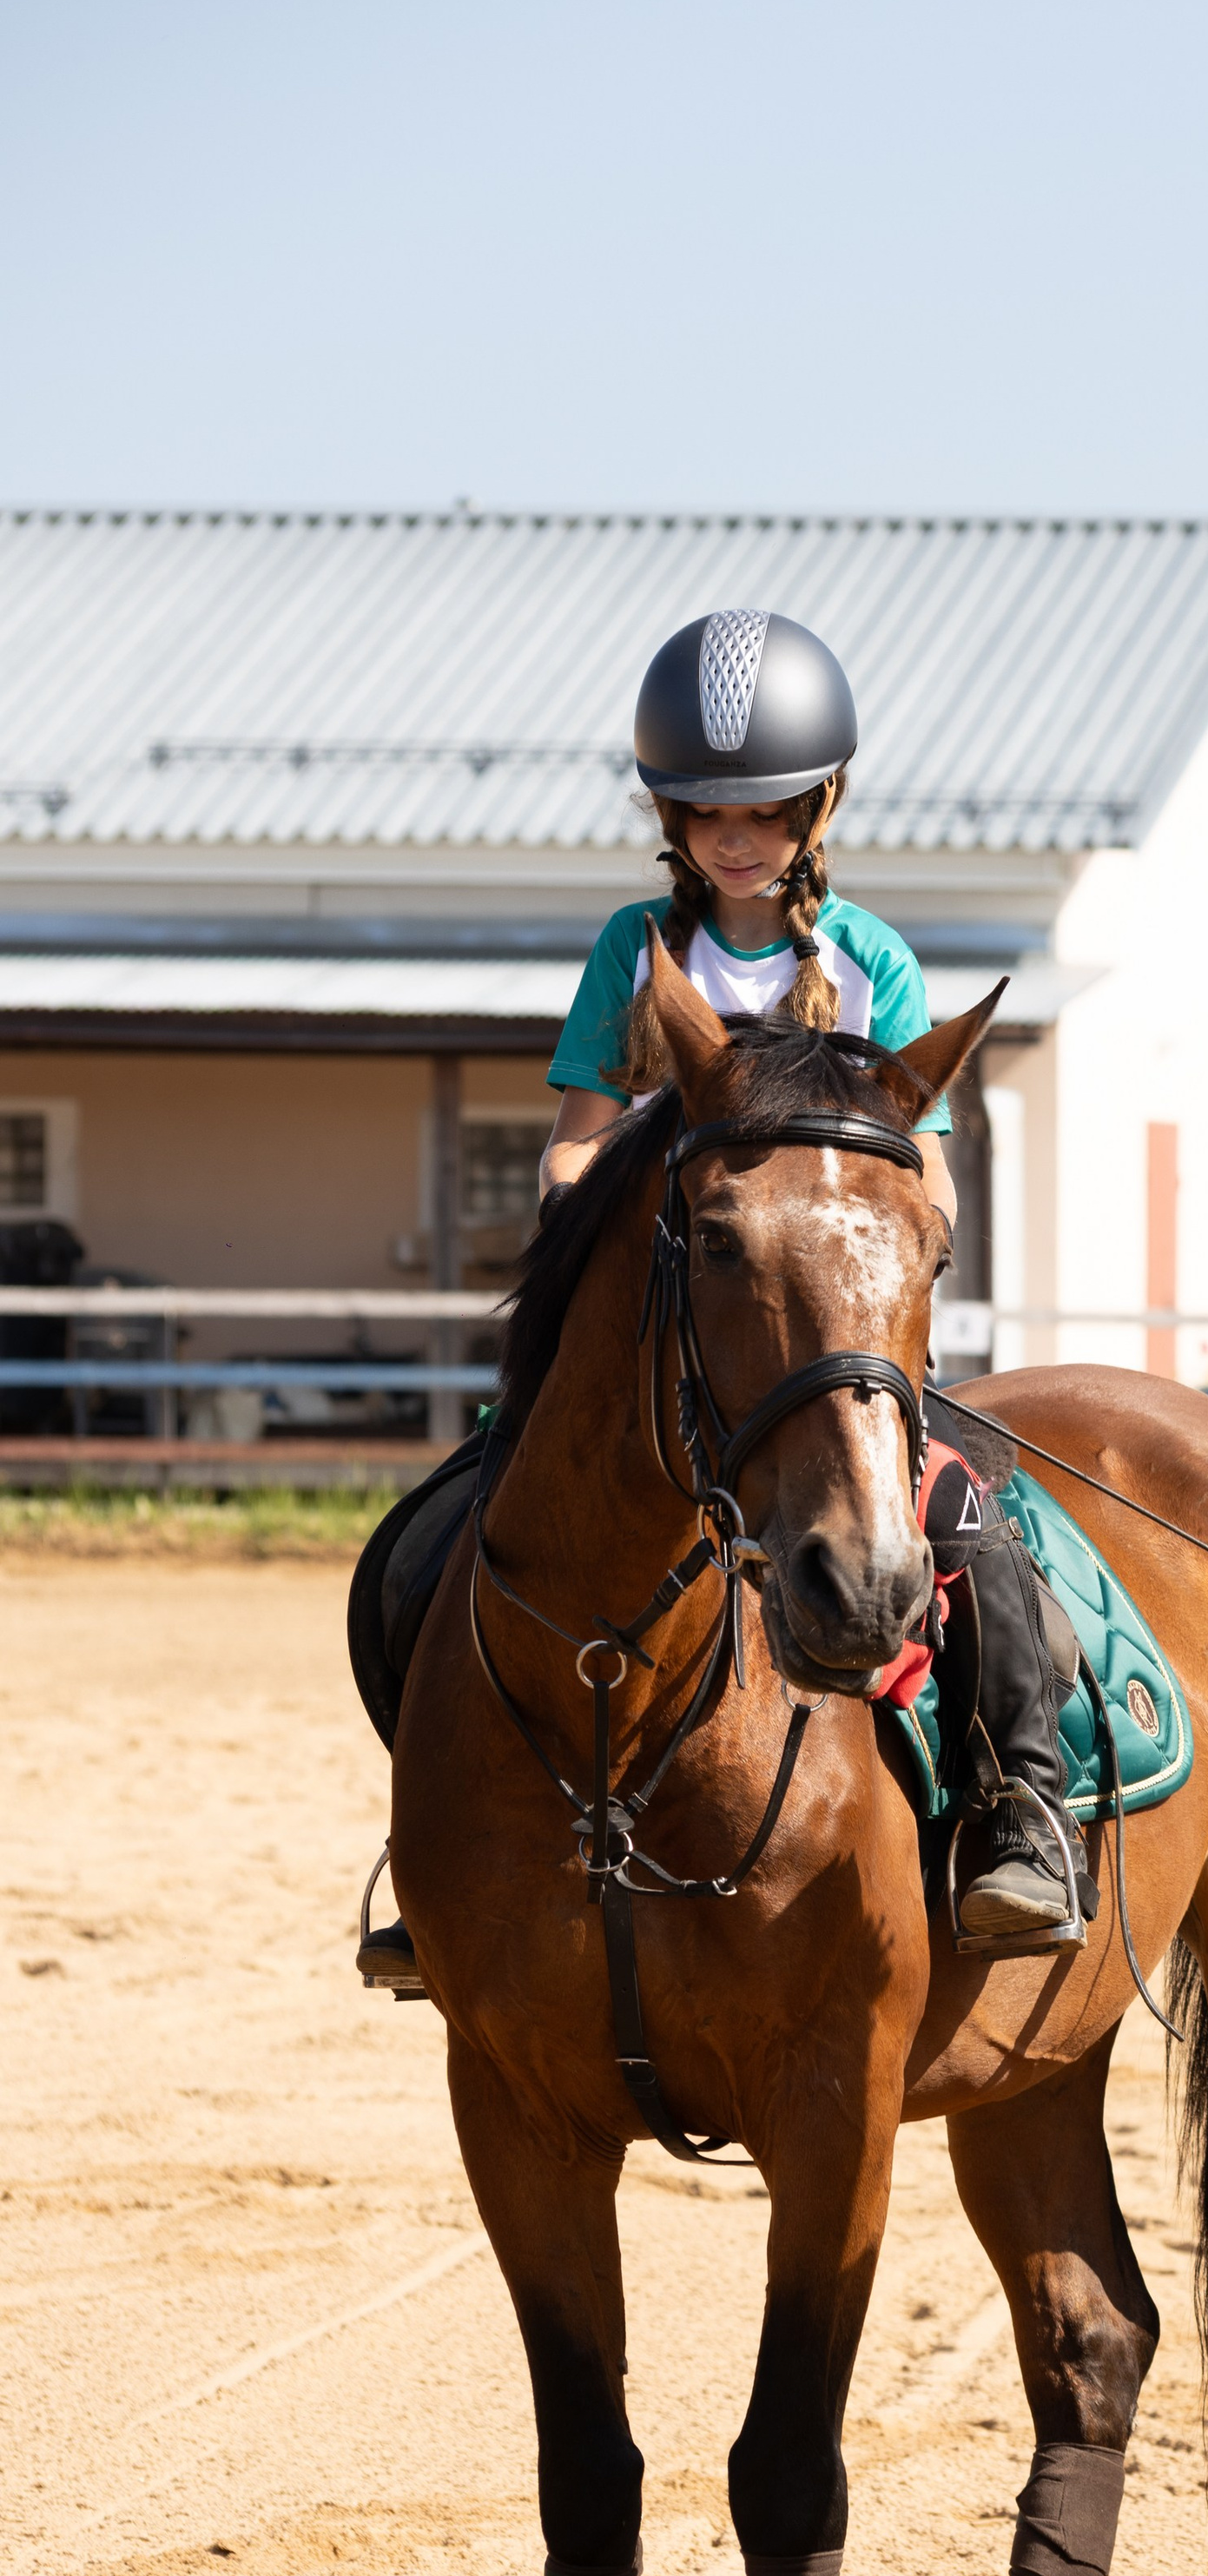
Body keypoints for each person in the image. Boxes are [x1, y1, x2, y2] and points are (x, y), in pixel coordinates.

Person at [362, 611, 1086, 1972]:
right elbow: (579, 1133)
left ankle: (1015, 1814)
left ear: (819, 808)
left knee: (980, 1538)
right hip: (664, 1323)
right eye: (702, 811)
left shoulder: (870, 959)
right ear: (667, 815)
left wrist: (878, 1238)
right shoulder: (634, 948)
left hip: (830, 1328)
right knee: (431, 1548)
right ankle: (443, 1856)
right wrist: (589, 1214)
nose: (733, 835)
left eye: (762, 809)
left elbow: (921, 1161)